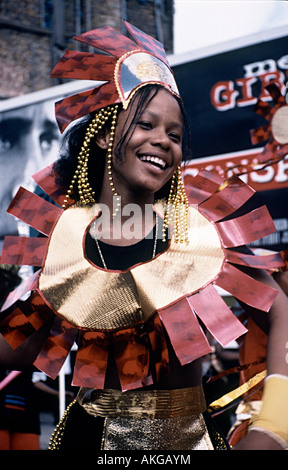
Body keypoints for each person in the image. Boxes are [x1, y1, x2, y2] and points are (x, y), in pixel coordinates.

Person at [0, 20, 288, 451]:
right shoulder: (66, 242)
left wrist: (274, 423)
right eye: (146, 125)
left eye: (174, 135)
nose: (164, 141)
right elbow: (19, 347)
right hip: (87, 438)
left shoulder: (200, 233)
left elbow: (279, 307)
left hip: (182, 442)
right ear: (101, 137)